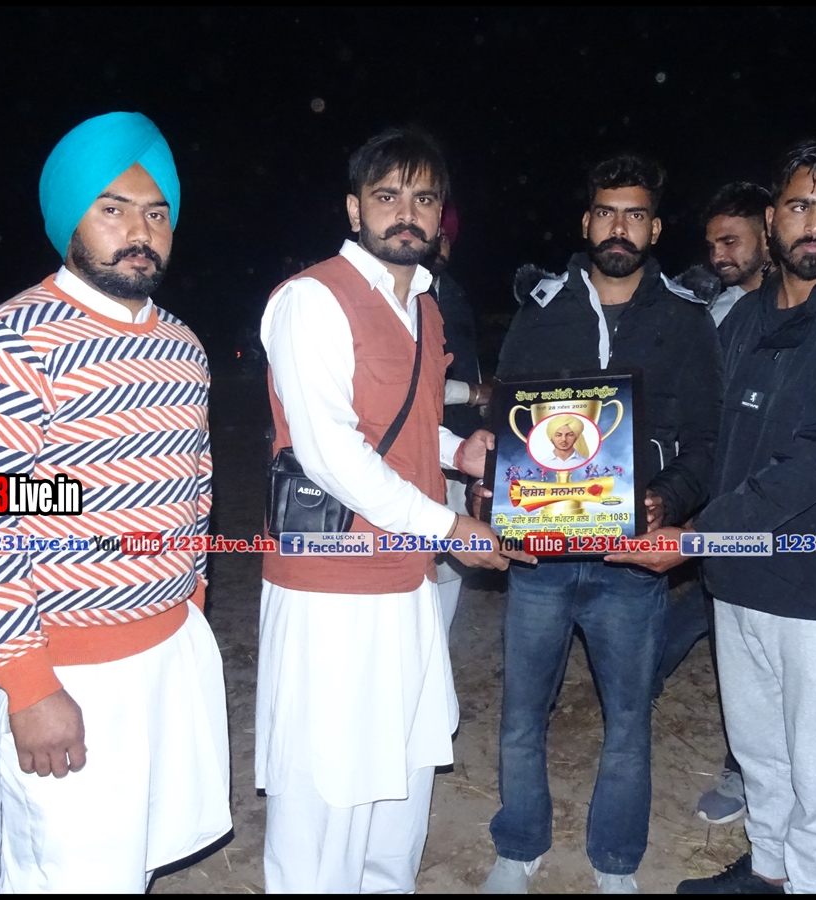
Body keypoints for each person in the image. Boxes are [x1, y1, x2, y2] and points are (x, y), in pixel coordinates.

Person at [0, 111, 231, 893]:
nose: (140, 231)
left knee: (135, 865)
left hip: (169, 653)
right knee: (67, 876)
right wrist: (30, 683)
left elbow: (196, 484)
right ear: (69, 217)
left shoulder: (183, 347)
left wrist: (192, 602)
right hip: (67, 669)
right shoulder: (4, 345)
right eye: (113, 209)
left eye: (157, 212)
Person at [610, 137, 816, 893]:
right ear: (773, 218)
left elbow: (811, 466)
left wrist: (692, 538)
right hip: (739, 578)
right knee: (758, 750)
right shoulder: (743, 320)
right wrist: (660, 498)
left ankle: (811, 882)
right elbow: (711, 438)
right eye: (801, 205)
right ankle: (770, 872)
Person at [255, 127, 529, 893]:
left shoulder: (426, 308)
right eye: (387, 196)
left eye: (424, 198)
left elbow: (401, 427)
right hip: (332, 584)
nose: (407, 213)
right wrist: (449, 525)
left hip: (406, 577)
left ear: (441, 214)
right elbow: (330, 450)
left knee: (400, 769)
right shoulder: (312, 300)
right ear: (354, 209)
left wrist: (459, 452)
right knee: (327, 782)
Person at [484, 153, 723, 894]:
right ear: (587, 221)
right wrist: (497, 497)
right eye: (607, 212)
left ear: (655, 228)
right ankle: (517, 848)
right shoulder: (541, 311)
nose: (620, 227)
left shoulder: (686, 319)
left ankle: (615, 862)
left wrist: (669, 501)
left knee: (627, 721)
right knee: (522, 715)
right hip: (541, 559)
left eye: (635, 214)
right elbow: (508, 424)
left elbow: (708, 441)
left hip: (631, 562)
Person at [433, 204, 488, 637]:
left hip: (458, 442)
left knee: (451, 561)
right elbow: (409, 383)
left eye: (445, 237)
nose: (439, 245)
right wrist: (473, 393)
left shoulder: (448, 291)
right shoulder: (405, 294)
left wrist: (483, 400)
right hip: (420, 442)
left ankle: (437, 658)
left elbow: (465, 361)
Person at [703, 181, 772, 324]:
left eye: (729, 242)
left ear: (766, 239)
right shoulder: (718, 319)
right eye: (711, 247)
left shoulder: (808, 297)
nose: (716, 258)